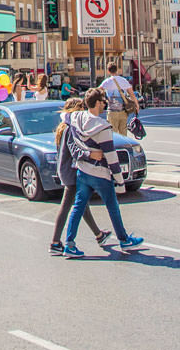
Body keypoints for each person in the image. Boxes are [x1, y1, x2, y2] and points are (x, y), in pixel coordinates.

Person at [59, 88, 142, 257]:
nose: (105, 104)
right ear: (97, 103)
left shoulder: (76, 118)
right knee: (112, 206)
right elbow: (111, 157)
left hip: (83, 170)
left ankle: (69, 243)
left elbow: (65, 116)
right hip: (100, 173)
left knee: (78, 206)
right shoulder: (102, 128)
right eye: (103, 102)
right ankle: (124, 240)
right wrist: (119, 180)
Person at [48, 98, 105, 255]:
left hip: (65, 171)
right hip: (71, 172)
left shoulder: (63, 127)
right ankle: (55, 243)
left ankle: (99, 235)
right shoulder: (71, 128)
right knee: (68, 207)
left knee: (82, 205)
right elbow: (75, 151)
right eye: (82, 108)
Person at [96, 66, 138, 136]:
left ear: (108, 71)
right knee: (123, 134)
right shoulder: (123, 80)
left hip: (112, 111)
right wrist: (137, 105)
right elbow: (132, 94)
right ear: (117, 70)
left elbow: (97, 92)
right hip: (123, 111)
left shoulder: (107, 81)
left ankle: (115, 147)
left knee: (113, 135)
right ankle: (124, 146)